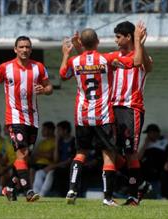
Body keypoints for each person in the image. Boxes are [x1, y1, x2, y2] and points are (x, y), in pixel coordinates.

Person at [59, 23, 145, 206]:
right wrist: (138, 40)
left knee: (80, 153)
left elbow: (63, 74)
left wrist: (66, 54)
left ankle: (72, 189)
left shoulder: (75, 62)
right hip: (103, 115)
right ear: (98, 42)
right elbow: (136, 62)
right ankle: (107, 198)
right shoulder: (107, 59)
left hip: (81, 115)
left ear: (81, 43)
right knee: (108, 154)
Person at [0, 35, 53, 202]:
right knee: (21, 154)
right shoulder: (5, 68)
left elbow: (50, 87)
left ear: (31, 49)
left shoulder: (39, 67)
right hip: (14, 117)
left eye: (27, 47)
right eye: (21, 47)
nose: (24, 50)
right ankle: (28, 192)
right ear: (15, 49)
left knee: (25, 156)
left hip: (32, 118)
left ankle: (9, 189)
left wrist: (44, 90)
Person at [104, 21, 153, 205]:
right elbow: (95, 63)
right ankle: (139, 185)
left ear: (128, 37)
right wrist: (80, 48)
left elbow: (147, 67)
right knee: (113, 155)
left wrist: (140, 43)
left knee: (130, 152)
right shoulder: (113, 56)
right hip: (111, 108)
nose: (115, 40)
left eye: (118, 36)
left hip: (131, 109)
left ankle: (133, 196)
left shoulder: (141, 56)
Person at [139, 124, 168, 198]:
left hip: (160, 171)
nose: (148, 135)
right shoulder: (147, 143)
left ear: (155, 133)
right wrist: (145, 144)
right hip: (147, 172)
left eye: (149, 133)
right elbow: (138, 157)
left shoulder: (165, 142)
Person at [31, 121, 57, 197]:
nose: (42, 131)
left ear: (51, 130)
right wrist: (44, 154)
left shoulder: (55, 141)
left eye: (44, 129)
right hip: (38, 163)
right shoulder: (42, 142)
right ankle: (33, 191)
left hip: (48, 164)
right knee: (31, 169)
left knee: (39, 171)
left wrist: (41, 154)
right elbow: (35, 155)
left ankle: (39, 193)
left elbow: (50, 155)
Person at [52, 121, 76, 197]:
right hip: (59, 166)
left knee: (62, 172)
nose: (57, 132)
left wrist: (54, 166)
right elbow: (55, 159)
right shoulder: (60, 142)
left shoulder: (74, 141)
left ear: (65, 130)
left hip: (69, 166)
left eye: (59, 130)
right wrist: (56, 142)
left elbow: (71, 159)